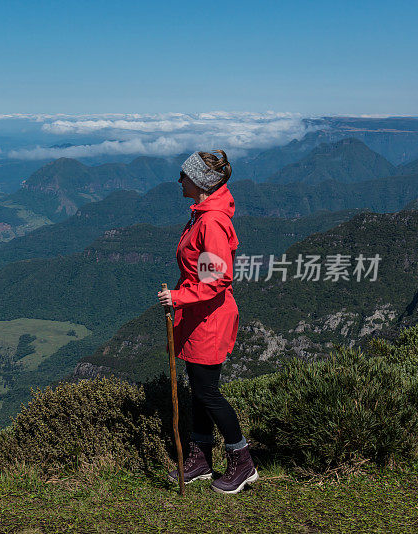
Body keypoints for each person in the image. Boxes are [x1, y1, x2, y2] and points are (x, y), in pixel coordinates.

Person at [157, 150, 258, 495]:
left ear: (200, 182)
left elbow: (217, 279)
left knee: (208, 393)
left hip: (209, 319)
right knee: (199, 391)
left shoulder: (211, 221)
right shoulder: (202, 215)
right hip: (199, 316)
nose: (179, 180)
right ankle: (200, 459)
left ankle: (242, 462)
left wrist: (178, 297)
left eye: (184, 175)